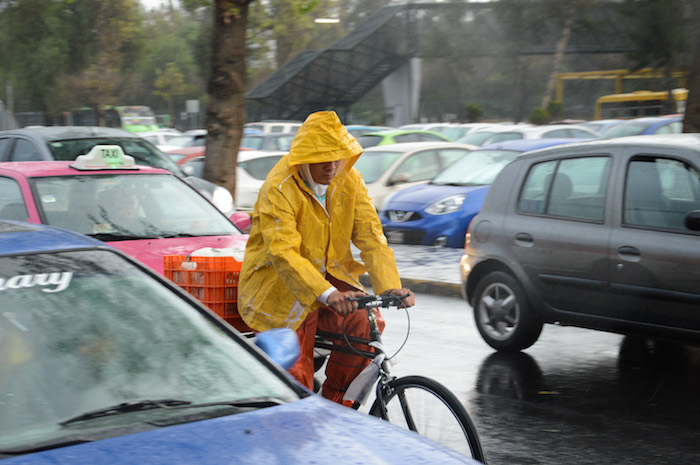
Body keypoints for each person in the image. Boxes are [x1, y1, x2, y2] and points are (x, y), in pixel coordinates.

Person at [238, 110, 415, 406]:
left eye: (337, 158)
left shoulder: (349, 179)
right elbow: (283, 253)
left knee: (364, 327)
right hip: (277, 288)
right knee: (294, 376)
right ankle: (296, 423)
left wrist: (389, 286)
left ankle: (336, 410)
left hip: (330, 276)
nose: (332, 167)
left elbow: (371, 235)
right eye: (322, 159)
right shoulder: (279, 188)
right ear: (303, 158)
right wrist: (326, 293)